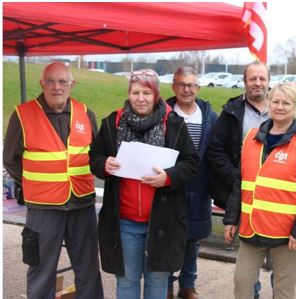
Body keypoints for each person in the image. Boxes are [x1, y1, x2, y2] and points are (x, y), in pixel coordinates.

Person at [89, 69, 199, 299]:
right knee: (127, 278)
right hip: (124, 220)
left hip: (161, 219)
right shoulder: (113, 122)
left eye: (146, 92)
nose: (141, 98)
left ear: (156, 95)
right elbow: (95, 157)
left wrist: (168, 177)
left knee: (157, 279)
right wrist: (103, 164)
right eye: (135, 92)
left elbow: (191, 163)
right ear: (128, 94)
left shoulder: (174, 123)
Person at [3, 61, 104, 298]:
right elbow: (10, 160)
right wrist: (35, 183)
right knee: (42, 270)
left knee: (88, 268)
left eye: (62, 81)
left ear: (72, 84)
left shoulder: (86, 113)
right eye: (50, 81)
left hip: (81, 204)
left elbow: (96, 156)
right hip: (43, 208)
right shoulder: (22, 115)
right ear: (42, 83)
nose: (56, 86)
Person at [224, 83, 296, 299]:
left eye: (286, 103)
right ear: (269, 103)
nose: (280, 107)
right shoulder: (251, 137)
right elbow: (240, 183)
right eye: (276, 101)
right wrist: (231, 219)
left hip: (287, 234)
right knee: (241, 283)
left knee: (283, 290)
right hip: (251, 229)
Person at [206, 61, 270, 299]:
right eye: (252, 78)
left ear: (268, 81)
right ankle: (253, 293)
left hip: (278, 198)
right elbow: (214, 150)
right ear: (245, 82)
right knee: (249, 257)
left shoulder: (281, 107)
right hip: (246, 195)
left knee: (278, 259)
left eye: (262, 78)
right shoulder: (232, 111)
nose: (257, 83)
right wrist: (237, 178)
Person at [166, 66, 218, 299]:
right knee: (166, 236)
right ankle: (165, 283)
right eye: (181, 84)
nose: (186, 89)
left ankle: (187, 285)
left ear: (198, 87)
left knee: (193, 239)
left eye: (191, 85)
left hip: (199, 188)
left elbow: (217, 151)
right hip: (170, 186)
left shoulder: (209, 116)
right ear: (174, 86)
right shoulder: (164, 113)